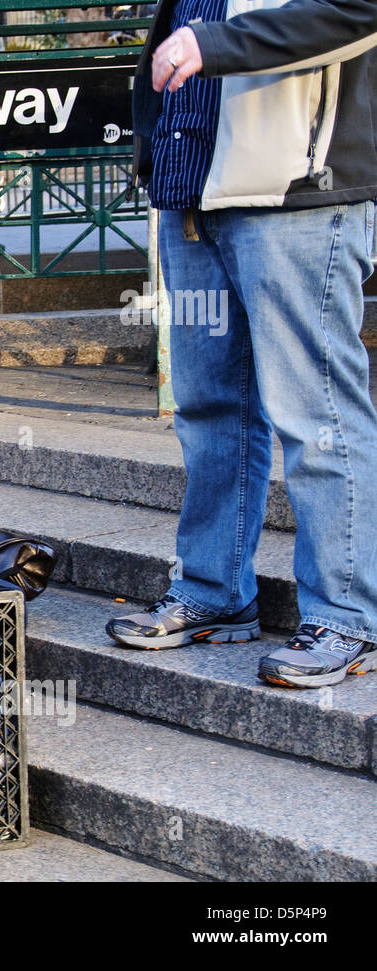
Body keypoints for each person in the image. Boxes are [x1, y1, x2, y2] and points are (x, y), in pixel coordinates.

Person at [106, 1, 377, 689]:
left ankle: (346, 616)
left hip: (297, 197)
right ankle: (213, 591)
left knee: (319, 417)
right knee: (208, 409)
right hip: (192, 192)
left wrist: (214, 43)